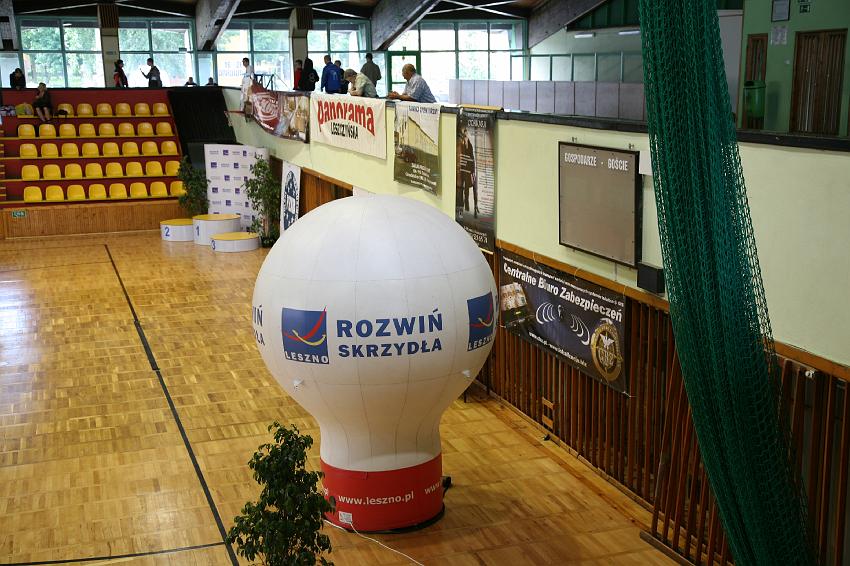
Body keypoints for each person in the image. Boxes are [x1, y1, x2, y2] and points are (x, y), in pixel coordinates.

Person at [457, 124, 478, 219]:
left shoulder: (469, 144)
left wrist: (472, 169)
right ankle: (465, 206)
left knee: (470, 187)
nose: (466, 136)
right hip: (462, 169)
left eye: (466, 134)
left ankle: (470, 206)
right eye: (464, 134)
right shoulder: (461, 143)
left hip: (469, 169)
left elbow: (471, 156)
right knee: (463, 188)